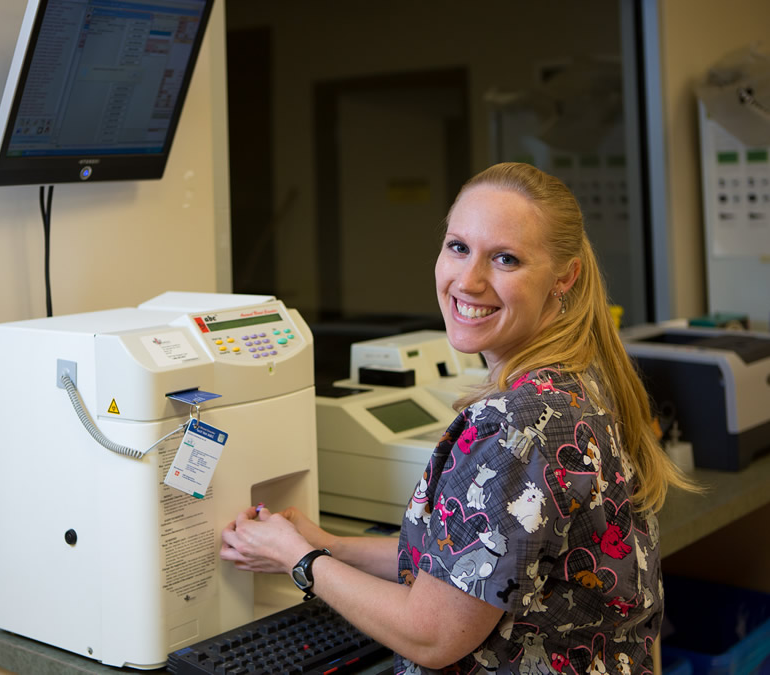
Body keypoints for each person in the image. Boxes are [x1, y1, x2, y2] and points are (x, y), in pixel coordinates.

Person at [220, 162, 697, 674]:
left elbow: (431, 635)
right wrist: (329, 544)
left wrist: (300, 561)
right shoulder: (579, 377)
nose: (468, 281)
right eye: (458, 247)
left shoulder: (518, 424)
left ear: (565, 276)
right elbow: (471, 561)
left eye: (506, 259)